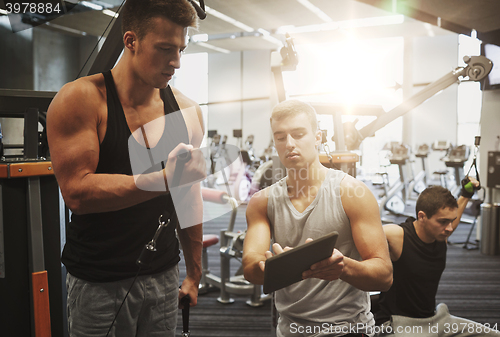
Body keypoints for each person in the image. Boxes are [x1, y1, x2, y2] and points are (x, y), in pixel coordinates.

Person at [46, 1, 206, 336]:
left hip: (164, 275)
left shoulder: (188, 112)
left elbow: (188, 197)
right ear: (130, 41)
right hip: (98, 282)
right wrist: (161, 180)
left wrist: (194, 273)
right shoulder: (81, 100)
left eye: (180, 49)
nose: (175, 62)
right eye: (164, 49)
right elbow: (77, 193)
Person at [242, 100, 393, 337]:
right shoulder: (262, 202)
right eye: (280, 137)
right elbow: (251, 269)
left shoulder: (353, 193)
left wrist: (342, 267)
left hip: (348, 330)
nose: (289, 144)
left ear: (318, 137)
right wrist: (275, 268)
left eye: (299, 134)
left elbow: (384, 276)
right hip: (290, 330)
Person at [375, 180, 499, 336]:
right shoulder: (397, 235)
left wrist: (466, 193)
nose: (449, 228)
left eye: (451, 221)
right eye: (443, 222)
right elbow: (361, 235)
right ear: (422, 216)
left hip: (435, 319)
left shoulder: (440, 235)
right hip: (399, 324)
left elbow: (455, 212)